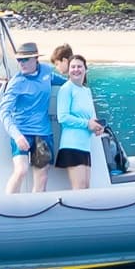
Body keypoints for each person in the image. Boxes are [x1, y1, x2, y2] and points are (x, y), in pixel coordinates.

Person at [0, 41, 58, 193]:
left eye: (25, 59)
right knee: (21, 170)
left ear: (35, 59)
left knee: (42, 176)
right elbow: (4, 112)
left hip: (42, 132)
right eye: (19, 60)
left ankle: (36, 209)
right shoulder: (16, 82)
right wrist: (17, 135)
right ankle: (8, 206)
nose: (21, 63)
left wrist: (79, 84)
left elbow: (60, 80)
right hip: (22, 131)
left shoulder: (46, 71)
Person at [50, 54, 102, 192]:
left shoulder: (86, 91)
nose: (76, 70)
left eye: (79, 66)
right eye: (73, 67)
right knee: (78, 189)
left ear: (85, 69)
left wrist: (97, 127)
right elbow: (63, 118)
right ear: (69, 70)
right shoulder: (66, 89)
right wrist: (87, 124)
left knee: (86, 187)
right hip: (71, 145)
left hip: (85, 146)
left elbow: (92, 117)